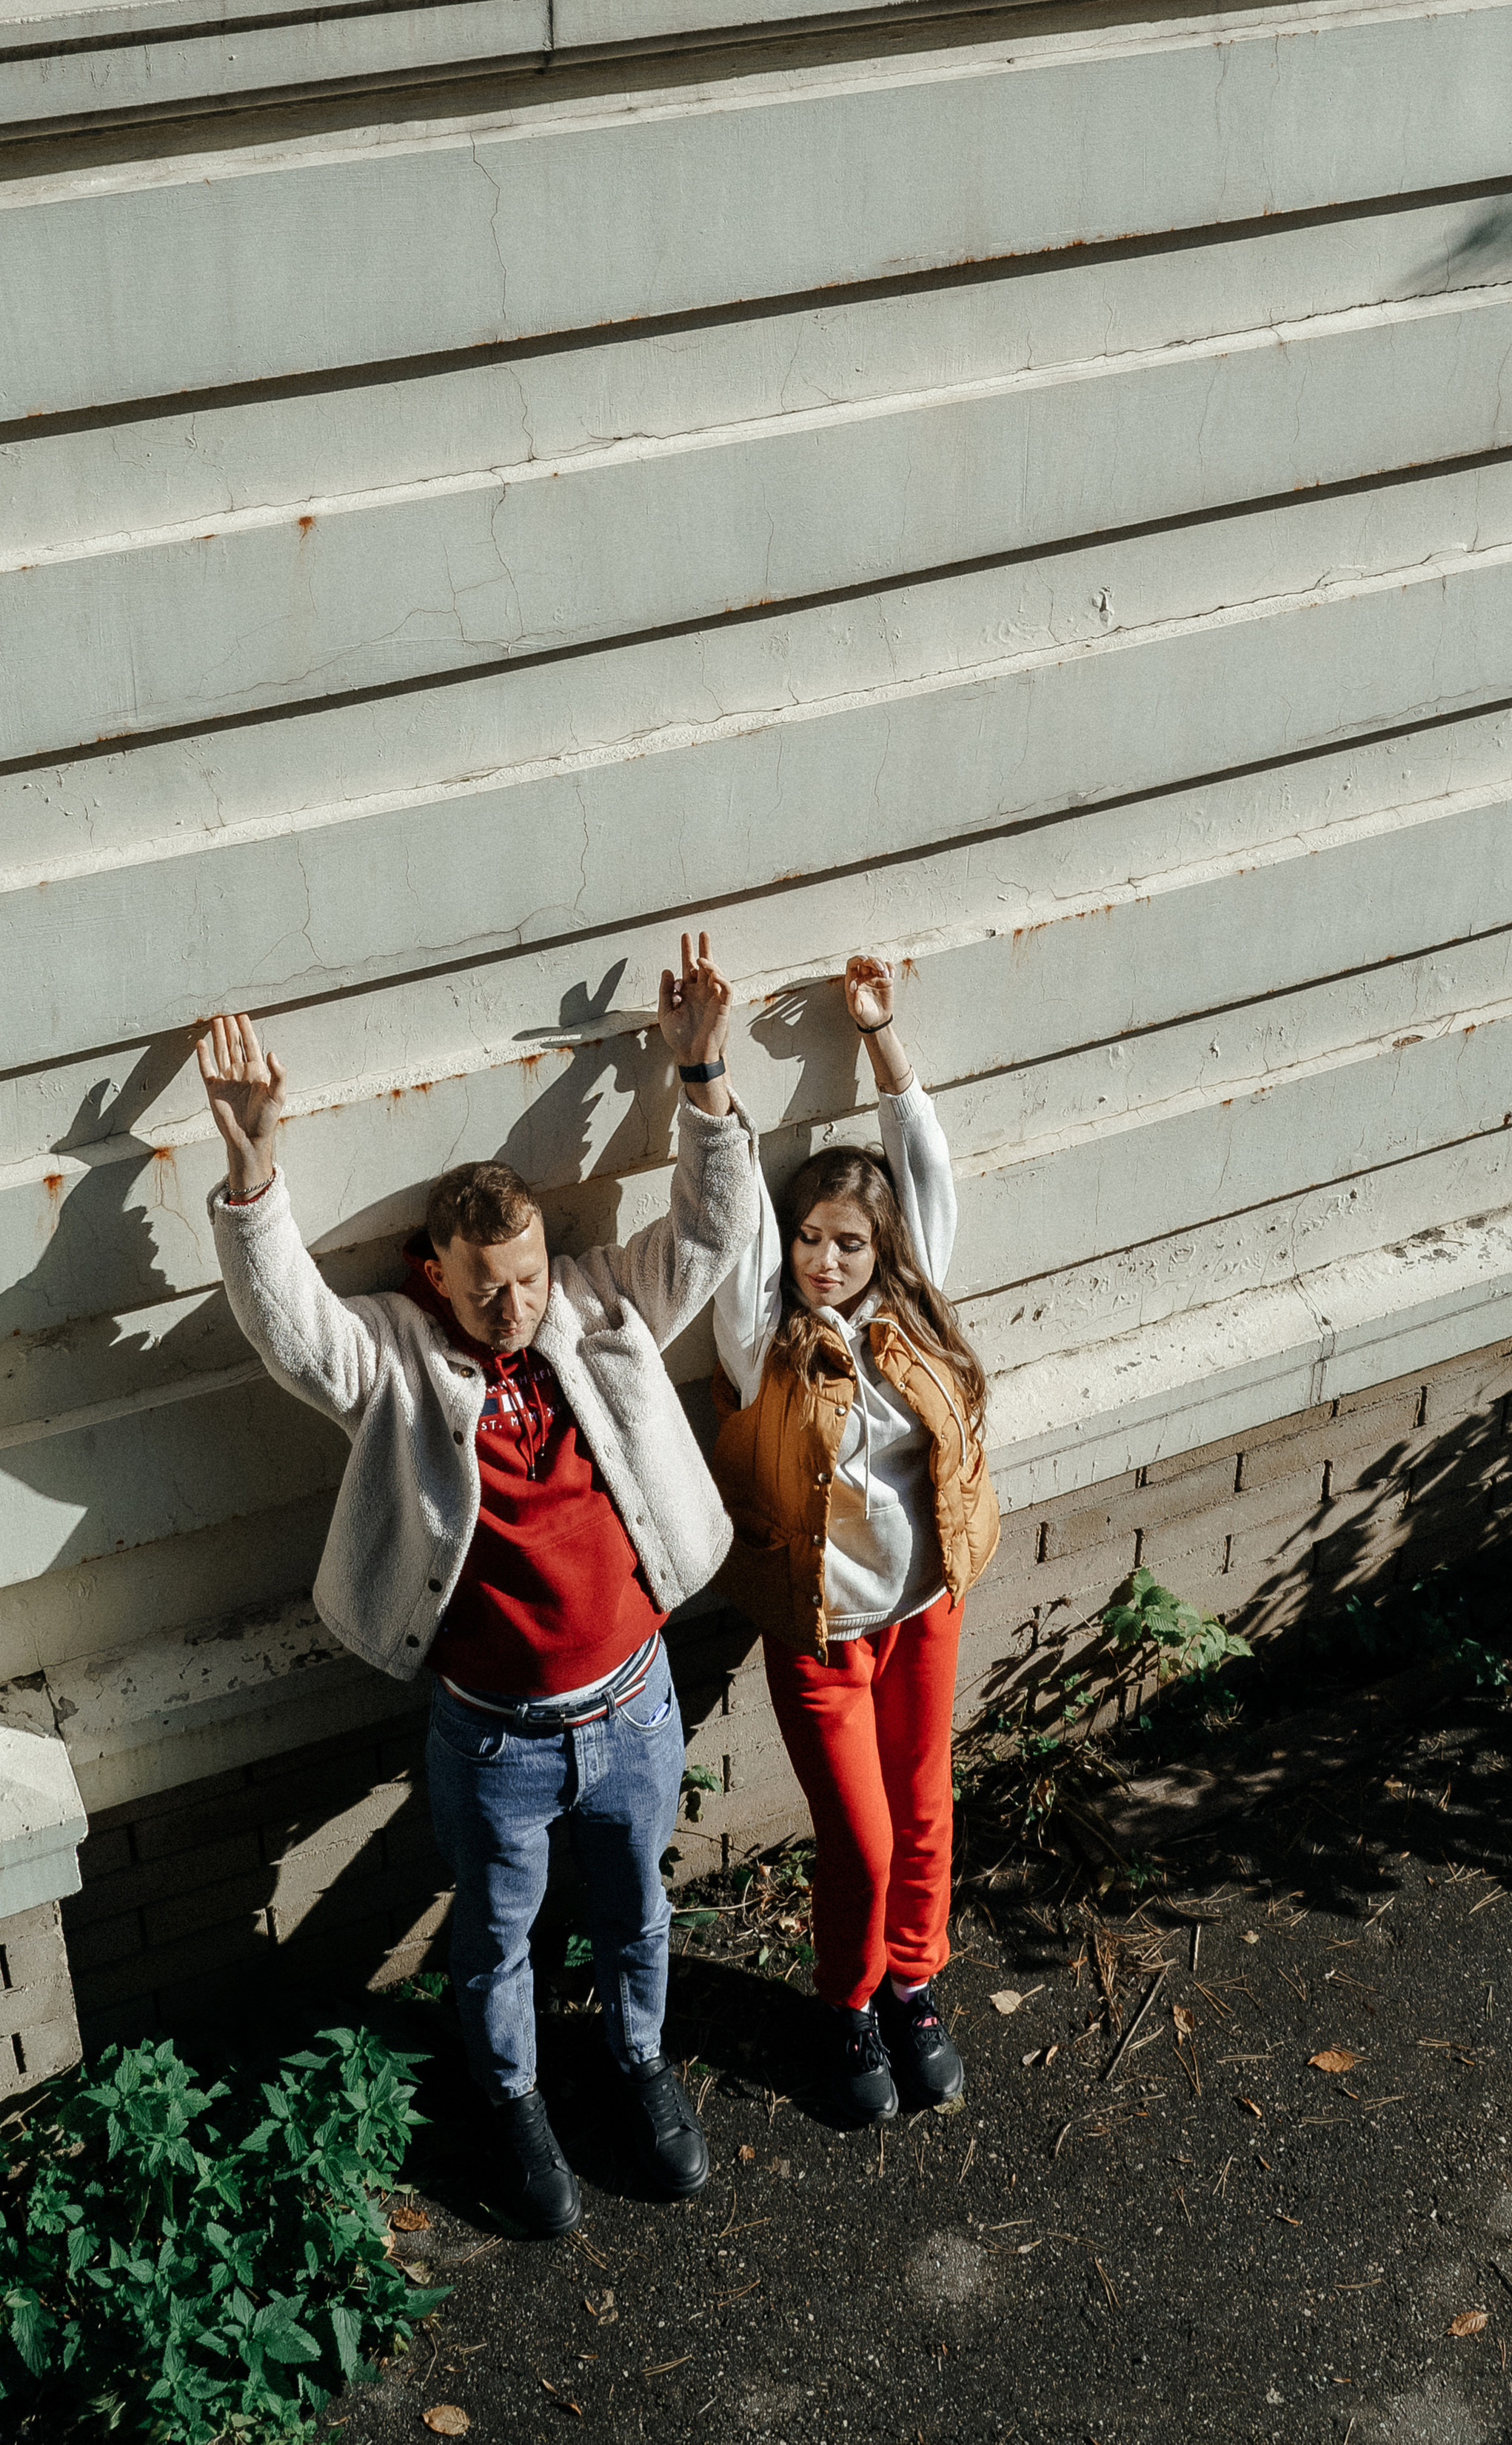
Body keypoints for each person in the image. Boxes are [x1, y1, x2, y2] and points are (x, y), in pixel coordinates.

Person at [196, 938, 755, 2238]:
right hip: (494, 1738)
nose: (511, 1306)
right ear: (432, 1277)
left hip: (634, 1708)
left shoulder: (603, 1306)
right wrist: (253, 1168)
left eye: (526, 1278)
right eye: (483, 1286)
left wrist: (702, 1073)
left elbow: (717, 1230)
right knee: (493, 1939)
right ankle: (510, 2101)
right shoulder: (394, 1361)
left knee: (636, 1911)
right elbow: (293, 1330)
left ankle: (636, 2065)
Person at [709, 955, 998, 2124]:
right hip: (824, 1635)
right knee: (863, 1840)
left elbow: (924, 1170)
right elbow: (723, 1227)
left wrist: (881, 1038)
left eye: (848, 1243)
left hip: (925, 1606)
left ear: (884, 1252)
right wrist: (702, 1079)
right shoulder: (762, 1339)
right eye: (809, 1240)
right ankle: (846, 2003)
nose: (823, 1261)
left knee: (926, 1805)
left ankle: (914, 1988)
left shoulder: (912, 1312)